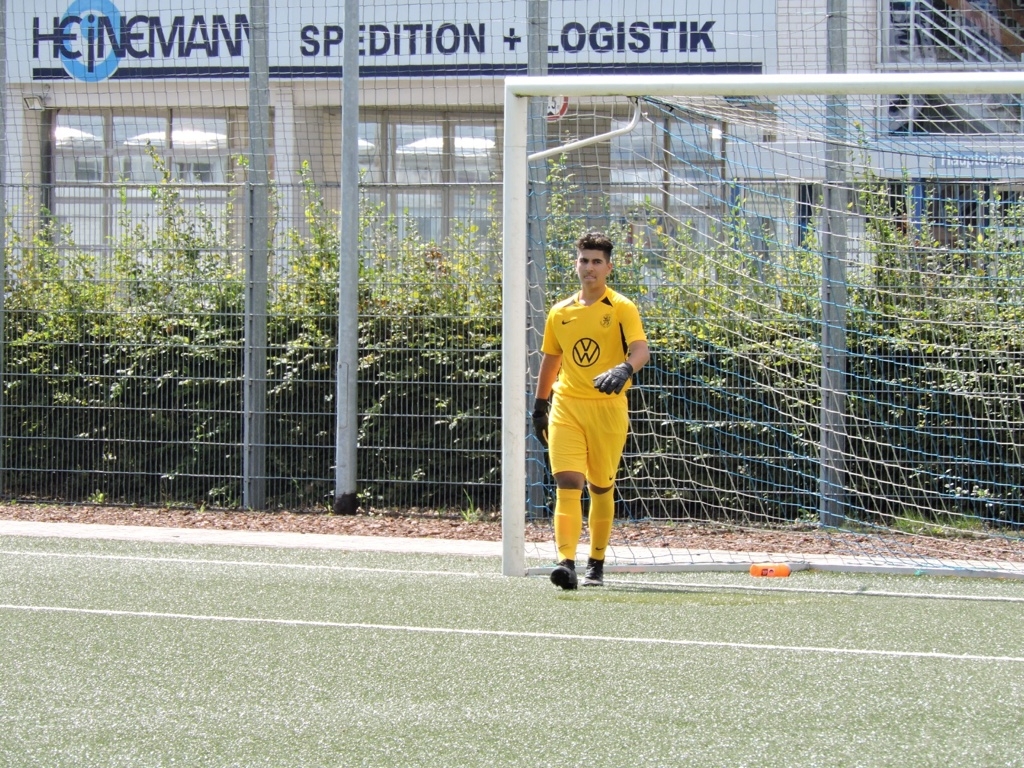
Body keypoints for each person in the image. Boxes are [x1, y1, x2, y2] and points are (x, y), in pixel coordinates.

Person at [532, 231, 650, 589]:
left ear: (608, 268)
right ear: (576, 264)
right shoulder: (560, 311)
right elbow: (551, 360)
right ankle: (565, 563)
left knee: (600, 486)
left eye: (597, 261)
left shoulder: (622, 307)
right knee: (568, 482)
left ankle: (595, 564)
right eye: (584, 260)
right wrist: (539, 406)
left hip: (607, 409)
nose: (590, 267)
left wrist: (625, 369)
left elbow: (641, 350)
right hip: (566, 406)